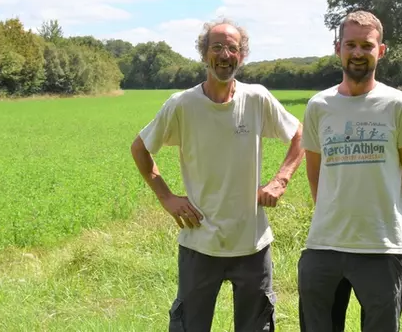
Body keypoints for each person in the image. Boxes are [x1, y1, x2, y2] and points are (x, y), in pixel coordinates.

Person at [130, 18, 304, 332]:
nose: (225, 54)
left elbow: (300, 135)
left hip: (252, 244)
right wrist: (166, 197)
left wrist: (281, 179)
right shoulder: (182, 105)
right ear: (204, 54)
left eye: (233, 48)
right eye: (217, 47)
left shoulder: (257, 98)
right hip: (200, 242)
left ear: (242, 56)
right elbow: (140, 148)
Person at [297, 10, 402, 332]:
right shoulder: (319, 106)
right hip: (324, 246)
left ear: (380, 50)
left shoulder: (398, 105)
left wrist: (381, 207)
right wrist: (335, 208)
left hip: (381, 246)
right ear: (337, 47)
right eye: (351, 44)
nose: (358, 52)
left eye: (366, 46)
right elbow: (315, 173)